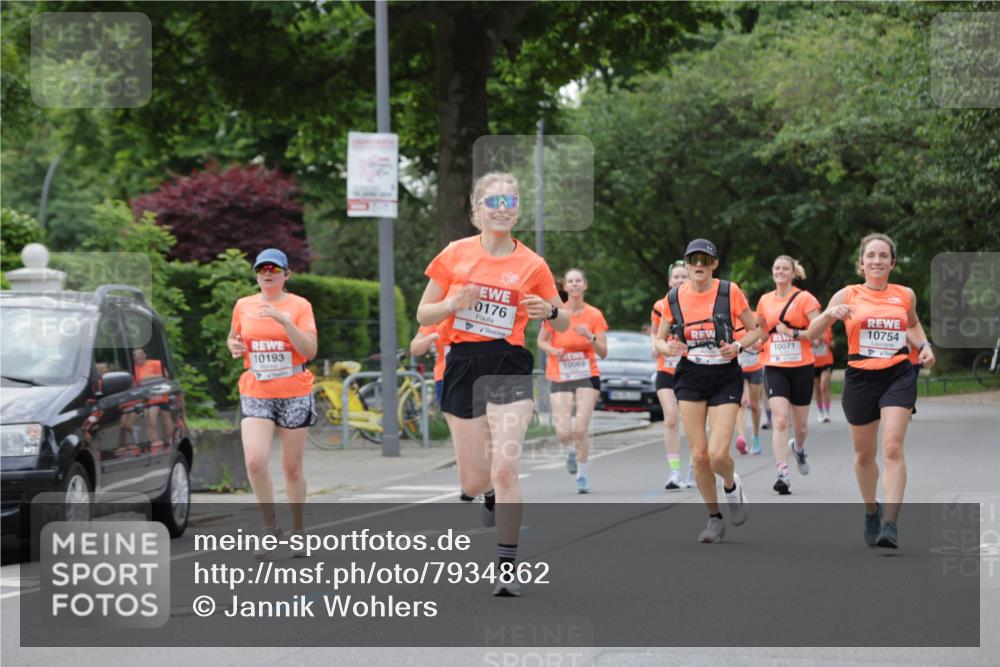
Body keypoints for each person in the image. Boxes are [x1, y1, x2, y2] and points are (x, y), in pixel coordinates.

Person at [416, 172, 568, 595]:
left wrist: (549, 312)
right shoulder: (454, 255)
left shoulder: (532, 264)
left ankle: (506, 566)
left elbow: (564, 317)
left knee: (505, 467)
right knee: (472, 481)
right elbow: (423, 315)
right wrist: (451, 303)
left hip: (508, 361)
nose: (502, 209)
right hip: (462, 362)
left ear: (516, 208)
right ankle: (485, 497)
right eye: (493, 202)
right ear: (477, 209)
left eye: (509, 201)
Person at [803, 233, 934, 549]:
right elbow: (811, 333)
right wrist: (829, 314)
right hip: (860, 378)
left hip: (898, 374)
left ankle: (890, 523)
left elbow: (913, 324)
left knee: (892, 448)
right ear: (861, 264)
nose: (877, 260)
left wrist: (924, 345)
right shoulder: (847, 294)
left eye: (883, 255)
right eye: (871, 256)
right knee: (864, 454)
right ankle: (871, 510)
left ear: (892, 262)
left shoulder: (905, 295)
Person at [654, 239, 762, 543]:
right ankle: (714, 518)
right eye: (692, 260)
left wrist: (738, 345)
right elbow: (659, 341)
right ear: (686, 265)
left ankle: (730, 484)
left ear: (714, 264)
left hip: (725, 375)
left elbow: (755, 330)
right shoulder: (673, 297)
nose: (698, 265)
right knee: (699, 456)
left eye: (705, 260)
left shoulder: (730, 292)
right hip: (690, 375)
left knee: (717, 455)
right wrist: (670, 347)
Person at [227, 248, 318, 558]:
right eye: (262, 269)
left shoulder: (300, 306)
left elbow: (310, 350)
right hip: (256, 389)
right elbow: (233, 337)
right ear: (256, 274)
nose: (267, 273)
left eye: (274, 269)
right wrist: (234, 346)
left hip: (294, 389)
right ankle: (269, 526)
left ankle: (298, 529)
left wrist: (285, 321)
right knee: (254, 460)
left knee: (292, 467)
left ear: (286, 275)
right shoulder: (243, 306)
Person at [538, 268, 608, 494]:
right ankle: (570, 451)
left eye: (579, 281)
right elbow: (542, 342)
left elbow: (603, 352)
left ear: (584, 285)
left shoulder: (594, 315)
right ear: (565, 287)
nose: (575, 285)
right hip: (560, 374)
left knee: (580, 430)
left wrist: (591, 336)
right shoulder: (556, 313)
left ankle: (582, 476)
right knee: (563, 432)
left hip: (587, 375)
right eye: (571, 281)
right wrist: (554, 350)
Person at [756, 256, 822, 495]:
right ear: (772, 272)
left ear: (793, 273)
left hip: (802, 366)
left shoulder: (804, 299)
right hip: (774, 366)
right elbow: (761, 332)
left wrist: (794, 333)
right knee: (781, 420)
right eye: (777, 268)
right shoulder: (764, 300)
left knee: (801, 426)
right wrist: (753, 344)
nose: (780, 272)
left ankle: (799, 448)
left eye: (785, 268)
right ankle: (782, 472)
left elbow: (818, 331)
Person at [650, 260, 693, 490]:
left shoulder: (697, 304)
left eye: (683, 277)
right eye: (675, 277)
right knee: (670, 418)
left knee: (694, 422)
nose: (679, 280)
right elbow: (655, 335)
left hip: (692, 369)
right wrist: (657, 346)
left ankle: (695, 468)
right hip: (666, 368)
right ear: (669, 281)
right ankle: (674, 471)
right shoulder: (660, 306)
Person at [734, 324, 764, 456]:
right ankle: (742, 438)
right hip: (737, 368)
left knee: (754, 405)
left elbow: (764, 337)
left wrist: (759, 344)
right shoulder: (732, 320)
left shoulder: (754, 318)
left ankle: (756, 437)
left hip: (754, 368)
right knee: (739, 403)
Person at [812, 327, 835, 422]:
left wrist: (829, 342)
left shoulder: (827, 327)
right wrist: (813, 342)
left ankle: (827, 412)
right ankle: (820, 412)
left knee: (824, 386)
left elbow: (832, 343)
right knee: (817, 390)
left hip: (827, 361)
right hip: (813, 362)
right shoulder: (808, 327)